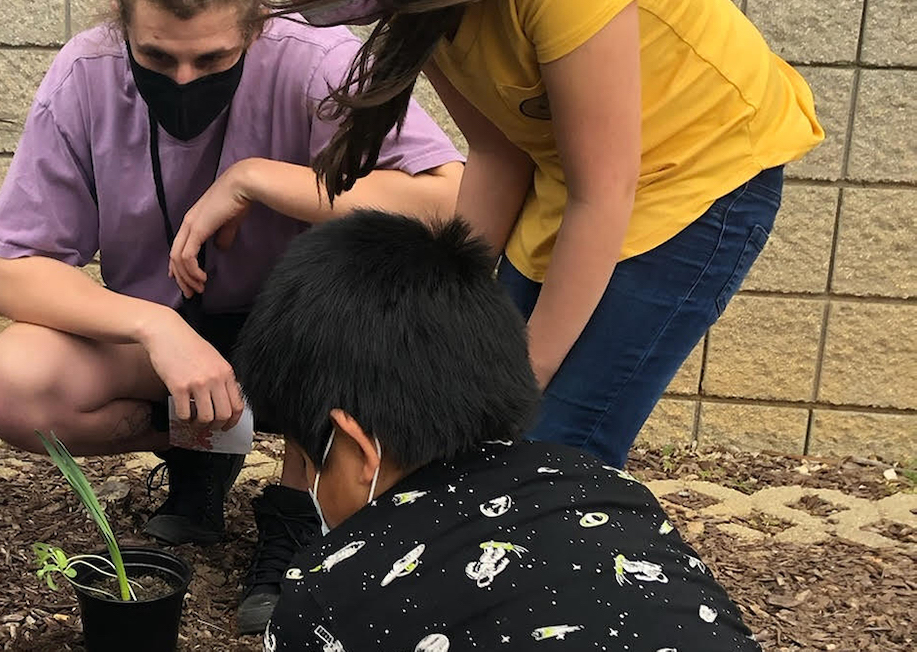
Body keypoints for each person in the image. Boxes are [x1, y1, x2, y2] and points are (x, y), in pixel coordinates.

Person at [190, 0, 824, 469]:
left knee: (552, 445)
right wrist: (444, 311)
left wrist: (518, 384)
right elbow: (499, 151)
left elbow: (603, 194)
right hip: (571, 179)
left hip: (698, 183)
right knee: (474, 414)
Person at [0, 0, 464, 636]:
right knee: (12, 381)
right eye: (156, 57)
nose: (184, 81)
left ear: (258, 23)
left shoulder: (317, 60)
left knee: (363, 314)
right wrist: (155, 326)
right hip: (172, 334)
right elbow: (14, 270)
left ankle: (294, 507)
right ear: (121, 23)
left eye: (213, 58)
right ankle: (203, 453)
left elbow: (449, 200)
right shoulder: (84, 76)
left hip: (306, 343)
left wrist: (258, 180)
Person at [234, 210, 763, 652]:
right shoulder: (610, 488)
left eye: (307, 460)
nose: (309, 482)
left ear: (354, 445)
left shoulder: (329, 595)